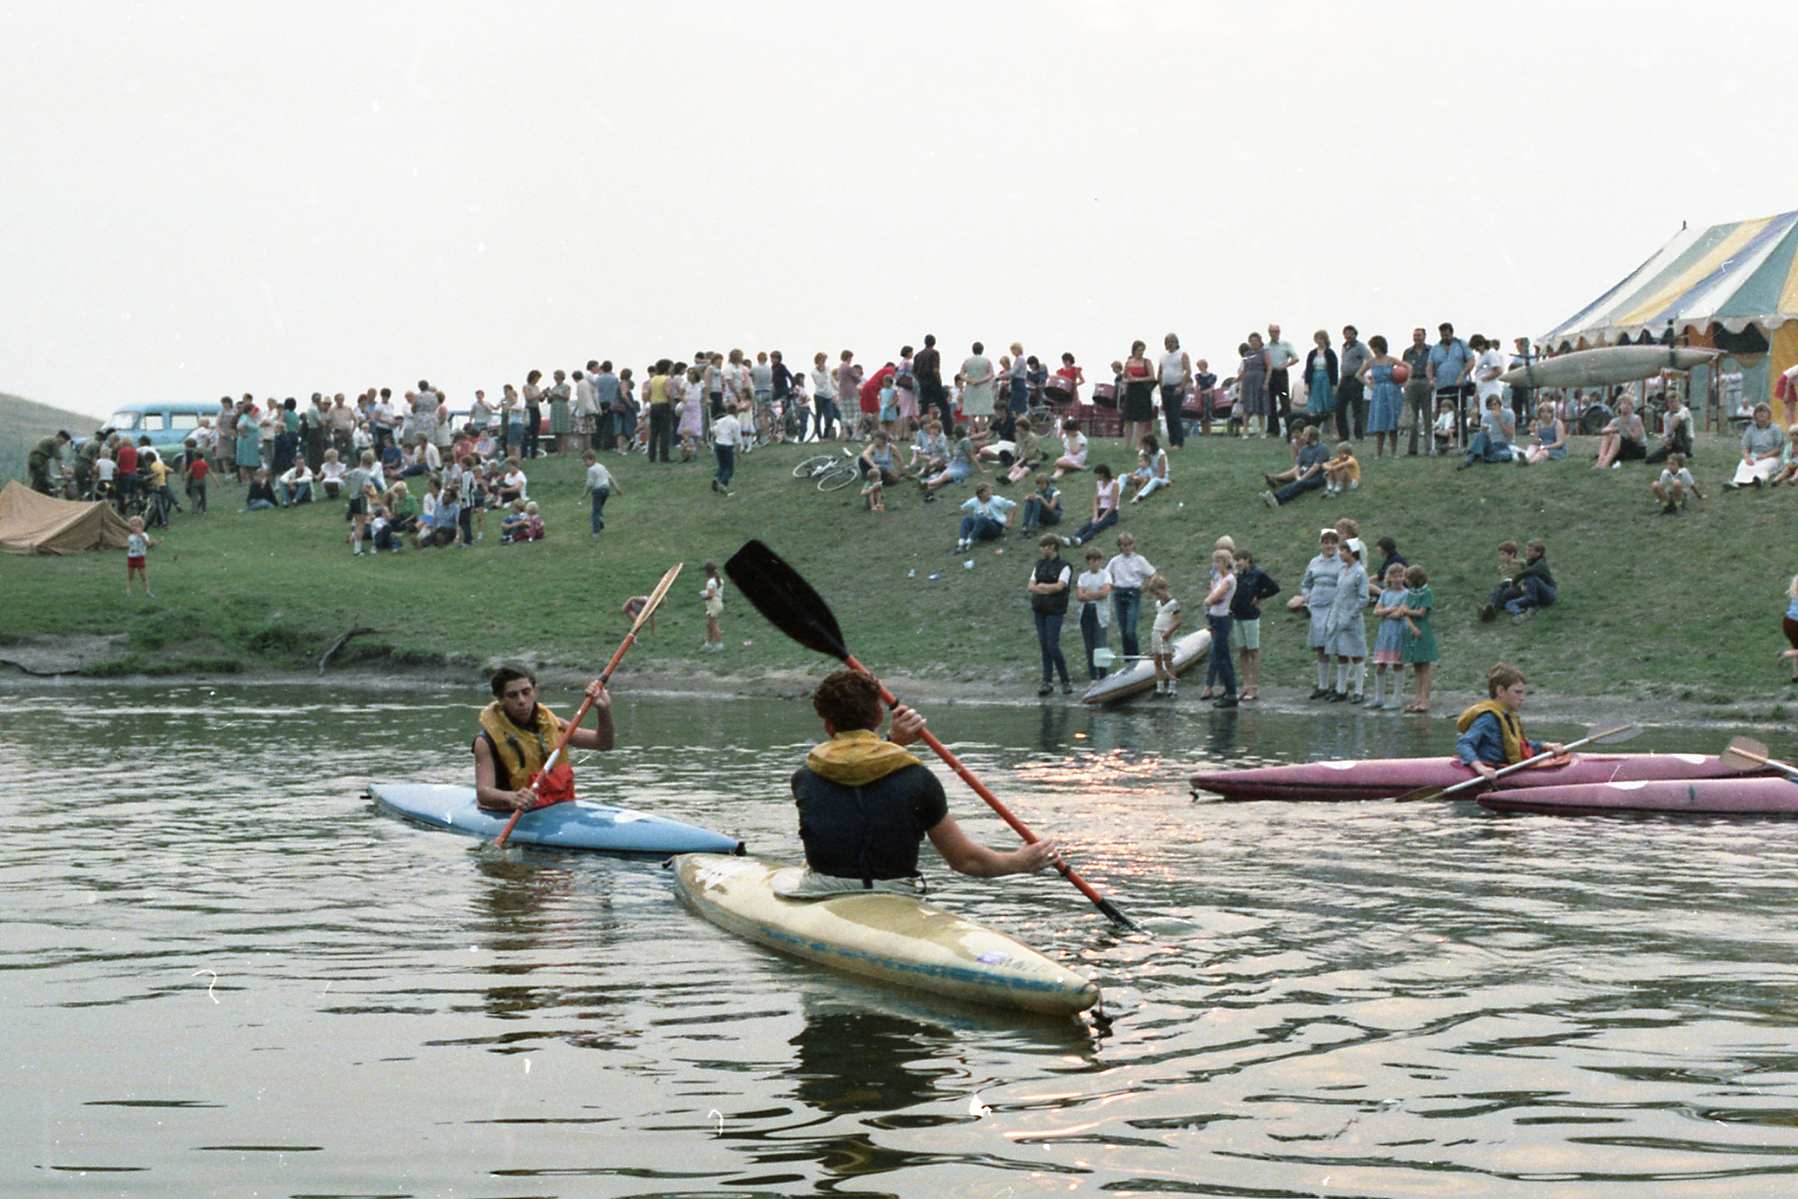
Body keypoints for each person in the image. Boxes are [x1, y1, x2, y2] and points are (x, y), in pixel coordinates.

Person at [786, 671, 1058, 894]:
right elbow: (965, 860)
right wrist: (1021, 862)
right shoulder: (917, 779)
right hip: (896, 894)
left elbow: (855, 770)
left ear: (828, 726)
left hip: (821, 891)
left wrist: (891, 743)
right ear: (879, 716)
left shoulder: (805, 778)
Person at [472, 666, 613, 813]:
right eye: (512, 695)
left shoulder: (554, 725)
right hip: (513, 812)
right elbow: (483, 793)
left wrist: (604, 710)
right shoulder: (485, 742)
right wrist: (510, 797)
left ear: (535, 691)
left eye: (526, 692)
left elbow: (603, 743)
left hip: (557, 806)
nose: (521, 700)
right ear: (500, 699)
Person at [1455, 662, 1564, 781]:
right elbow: (1464, 743)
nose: (1522, 697)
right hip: (1491, 768)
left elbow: (1519, 745)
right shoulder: (1488, 717)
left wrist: (1546, 745)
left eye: (1523, 692)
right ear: (1501, 691)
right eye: (1517, 692)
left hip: (1505, 766)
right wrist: (1480, 768)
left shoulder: (1509, 716)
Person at [1295, 529, 1343, 698]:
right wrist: (1307, 597)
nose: (1329, 545)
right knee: (1320, 646)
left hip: (1334, 607)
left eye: (1332, 542)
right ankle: (1322, 685)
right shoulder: (1314, 562)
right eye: (1326, 542)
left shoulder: (1342, 562)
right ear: (1321, 544)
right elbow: (1306, 583)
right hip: (1317, 607)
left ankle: (1340, 686)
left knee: (1337, 645)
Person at [1026, 534, 1074, 696]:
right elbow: (1031, 586)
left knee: (1052, 645)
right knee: (1044, 646)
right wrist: (1045, 588)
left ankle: (1065, 680)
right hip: (1040, 609)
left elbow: (1060, 587)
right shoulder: (1039, 565)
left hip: (1055, 610)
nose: (1042, 549)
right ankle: (1047, 681)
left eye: (1044, 546)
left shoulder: (1065, 566)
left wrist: (1043, 586)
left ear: (1052, 546)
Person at [1229, 548, 1278, 702]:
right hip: (1237, 616)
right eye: (1236, 560)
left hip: (1251, 616)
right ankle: (1245, 684)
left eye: (1240, 560)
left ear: (1248, 559)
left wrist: (1259, 597)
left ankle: (1254, 687)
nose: (1238, 563)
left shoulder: (1258, 574)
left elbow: (1274, 588)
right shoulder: (1237, 576)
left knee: (1253, 651)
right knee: (1242, 651)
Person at [1325, 537, 1369, 703]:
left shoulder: (1360, 572)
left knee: (1357, 653)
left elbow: (1363, 597)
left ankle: (1359, 690)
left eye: (1343, 550)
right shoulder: (1343, 570)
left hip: (1352, 618)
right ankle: (1341, 689)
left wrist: (1351, 614)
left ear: (1352, 553)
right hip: (1338, 615)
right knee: (1341, 653)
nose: (1339, 553)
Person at [1105, 533, 1155, 661]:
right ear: (1120, 547)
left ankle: (1136, 658)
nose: (1127, 548)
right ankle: (1128, 659)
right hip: (1119, 594)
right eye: (1124, 546)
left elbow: (1152, 574)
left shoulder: (1139, 560)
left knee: (1130, 630)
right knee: (1123, 630)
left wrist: (1146, 587)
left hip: (1133, 594)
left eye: (1129, 545)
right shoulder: (1115, 561)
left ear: (1133, 545)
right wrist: (1110, 585)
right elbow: (1106, 575)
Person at [1481, 539, 1556, 622]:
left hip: (1549, 594)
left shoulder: (1541, 563)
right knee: (1508, 602)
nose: (1527, 552)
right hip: (1536, 595)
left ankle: (1531, 602)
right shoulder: (1530, 562)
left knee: (1530, 576)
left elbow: (1527, 572)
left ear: (1538, 553)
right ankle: (1492, 612)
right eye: (1527, 550)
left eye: (1530, 550)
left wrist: (1516, 580)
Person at [1200, 550, 1239, 707]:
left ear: (1224, 562)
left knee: (1222, 657)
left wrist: (1209, 600)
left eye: (1217, 562)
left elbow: (1212, 598)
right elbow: (1212, 595)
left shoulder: (1228, 579)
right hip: (1215, 617)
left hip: (1221, 619)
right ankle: (1229, 691)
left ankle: (1231, 694)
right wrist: (1210, 599)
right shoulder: (1220, 579)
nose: (1214, 565)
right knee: (1221, 655)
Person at [1370, 563, 1411, 710]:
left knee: (1397, 664)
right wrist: (1391, 609)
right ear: (1390, 578)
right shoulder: (1385, 593)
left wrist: (1387, 612)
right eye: (1395, 576)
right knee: (1381, 664)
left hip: (1399, 632)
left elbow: (1399, 614)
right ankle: (1378, 698)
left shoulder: (1407, 594)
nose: (1398, 579)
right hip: (1385, 633)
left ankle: (1397, 698)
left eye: (1401, 575)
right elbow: (1376, 611)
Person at [1426, 323, 1474, 447]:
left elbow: (1471, 360)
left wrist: (1463, 374)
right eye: (1442, 334)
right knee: (1442, 414)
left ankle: (1461, 443)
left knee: (1459, 414)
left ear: (1451, 332)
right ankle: (1441, 443)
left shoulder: (1461, 344)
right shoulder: (1435, 348)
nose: (1445, 337)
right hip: (1441, 386)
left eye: (1447, 334)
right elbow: (1430, 366)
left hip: (1458, 385)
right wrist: (1431, 379)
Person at [1400, 564, 1438, 713]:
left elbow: (1421, 613)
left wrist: (1407, 611)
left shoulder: (1426, 593)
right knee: (1416, 667)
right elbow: (1406, 613)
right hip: (1412, 631)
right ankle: (1417, 698)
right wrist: (1411, 625)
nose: (1405, 580)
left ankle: (1426, 699)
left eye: (1407, 578)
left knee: (1425, 667)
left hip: (1423, 631)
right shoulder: (1410, 593)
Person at [1261, 426, 1329, 508]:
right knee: (1296, 482)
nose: (1302, 437)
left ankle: (1277, 500)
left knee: (1300, 484)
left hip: (1317, 477)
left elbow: (1315, 468)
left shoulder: (1322, 448)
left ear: (1311, 437)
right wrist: (1297, 477)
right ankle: (1274, 494)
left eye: (1305, 435)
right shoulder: (1304, 449)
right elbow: (1297, 465)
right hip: (1304, 473)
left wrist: (1301, 479)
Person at [1359, 335, 1402, 457]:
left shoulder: (1390, 360)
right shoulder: (1371, 362)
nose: (1374, 350)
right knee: (1379, 422)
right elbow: (1359, 374)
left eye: (1375, 348)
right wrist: (1369, 385)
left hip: (1392, 392)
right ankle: (1379, 453)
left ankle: (1394, 452)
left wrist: (1404, 381)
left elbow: (1407, 367)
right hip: (1378, 394)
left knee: (1392, 423)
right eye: (1372, 348)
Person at [1725, 403, 1784, 489]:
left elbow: (1778, 449)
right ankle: (1736, 482)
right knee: (1743, 464)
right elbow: (1745, 446)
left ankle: (1760, 480)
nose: (1761, 413)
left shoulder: (1775, 429)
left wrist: (1764, 456)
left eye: (1764, 411)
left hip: (1770, 456)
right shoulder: (1751, 429)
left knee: (1764, 466)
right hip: (1754, 455)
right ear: (1755, 415)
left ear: (1769, 414)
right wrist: (1747, 457)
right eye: (1758, 411)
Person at [1062, 464, 1120, 547]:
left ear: (1102, 474)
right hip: (1101, 509)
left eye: (1097, 474)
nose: (1096, 476)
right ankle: (1071, 539)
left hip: (1111, 512)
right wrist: (1095, 516)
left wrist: (1102, 517)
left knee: (1096, 527)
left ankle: (1081, 540)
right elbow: (1096, 500)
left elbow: (1113, 504)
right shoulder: (1099, 483)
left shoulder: (1114, 484)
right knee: (1087, 525)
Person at [1075, 548, 1111, 681]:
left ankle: (1103, 677)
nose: (1094, 563)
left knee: (1100, 645)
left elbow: (1104, 593)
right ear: (1088, 562)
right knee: (1089, 646)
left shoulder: (1105, 575)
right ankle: (1093, 678)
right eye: (1092, 560)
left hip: (1100, 613)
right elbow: (1079, 596)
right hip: (1086, 612)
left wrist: (1089, 594)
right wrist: (1091, 594)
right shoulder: (1083, 577)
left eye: (1097, 560)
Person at [1145, 573, 1182, 698]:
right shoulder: (1158, 603)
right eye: (1155, 594)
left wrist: (1168, 633)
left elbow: (1178, 622)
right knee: (1157, 660)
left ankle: (1172, 688)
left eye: (1158, 593)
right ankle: (1160, 687)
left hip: (1165, 634)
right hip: (1156, 633)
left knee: (1168, 661)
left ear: (1164, 589)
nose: (1157, 596)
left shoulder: (1173, 604)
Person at [954, 483, 1016, 552]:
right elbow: (962, 508)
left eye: (990, 490)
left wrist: (1009, 522)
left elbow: (1013, 506)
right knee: (966, 519)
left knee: (981, 518)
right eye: (987, 491)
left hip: (995, 528)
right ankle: (961, 542)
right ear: (980, 494)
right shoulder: (974, 501)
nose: (990, 492)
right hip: (980, 528)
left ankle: (968, 543)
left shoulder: (996, 500)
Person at [1459, 394, 1517, 467]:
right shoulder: (1486, 417)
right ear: (1488, 407)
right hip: (1492, 445)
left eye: (1495, 404)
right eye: (1490, 406)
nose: (1493, 407)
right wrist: (1484, 431)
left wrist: (1499, 420)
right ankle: (1470, 459)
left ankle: (1480, 456)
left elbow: (1511, 435)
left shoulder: (1509, 413)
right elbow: (1485, 436)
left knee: (1507, 455)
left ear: (1500, 404)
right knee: (1481, 434)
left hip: (1505, 445)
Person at [1401, 328, 1434, 455]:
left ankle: (1429, 448)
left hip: (1426, 382)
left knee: (1427, 417)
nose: (1417, 338)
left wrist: (1433, 380)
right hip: (1412, 383)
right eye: (1415, 335)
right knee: (1412, 418)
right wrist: (1404, 383)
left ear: (1424, 336)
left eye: (1419, 335)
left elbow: (1434, 365)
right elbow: (1403, 368)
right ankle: (1412, 449)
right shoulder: (1407, 352)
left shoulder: (1431, 350)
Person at [1263, 324, 1299, 439]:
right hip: (1270, 374)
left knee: (1284, 401)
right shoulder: (1266, 347)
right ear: (1269, 333)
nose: (1274, 333)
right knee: (1271, 403)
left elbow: (1296, 358)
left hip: (1281, 375)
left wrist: (1285, 365)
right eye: (1272, 331)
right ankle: (1273, 430)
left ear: (1279, 332)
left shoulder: (1285, 345)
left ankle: (1290, 429)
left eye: (1276, 331)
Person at [1335, 326, 1370, 441]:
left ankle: (1359, 435)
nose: (1348, 336)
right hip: (1345, 379)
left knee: (1357, 409)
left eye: (1350, 333)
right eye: (1346, 333)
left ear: (1355, 334)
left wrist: (1362, 372)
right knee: (1339, 407)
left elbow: (1370, 359)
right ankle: (1343, 435)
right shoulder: (1344, 347)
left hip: (1355, 379)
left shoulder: (1360, 347)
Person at [1593, 395, 1645, 470]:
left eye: (1629, 404)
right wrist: (1613, 429)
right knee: (1609, 434)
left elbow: (1636, 438)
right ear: (1619, 406)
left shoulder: (1636, 419)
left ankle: (1605, 463)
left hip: (1637, 448)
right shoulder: (1616, 420)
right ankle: (1600, 461)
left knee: (1616, 436)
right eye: (1623, 403)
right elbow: (1603, 431)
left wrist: (1627, 428)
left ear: (1632, 407)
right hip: (1621, 445)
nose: (1626, 406)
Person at [1300, 331, 1337, 438]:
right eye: (1317, 338)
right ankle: (1313, 433)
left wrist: (1334, 385)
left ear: (1325, 339)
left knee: (1329, 408)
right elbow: (1308, 370)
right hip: (1314, 381)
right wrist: (1307, 385)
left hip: (1326, 380)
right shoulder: (1312, 353)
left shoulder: (1330, 353)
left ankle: (1333, 432)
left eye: (1321, 338)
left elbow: (1334, 370)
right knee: (1313, 408)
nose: (1319, 341)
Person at [1158, 334, 1191, 449]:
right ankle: (1172, 442)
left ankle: (1178, 442)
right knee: (1168, 416)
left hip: (1177, 387)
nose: (1170, 344)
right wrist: (1160, 386)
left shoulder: (1182, 354)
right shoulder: (1163, 356)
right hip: (1165, 388)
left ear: (1177, 342)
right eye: (1167, 342)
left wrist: (1181, 387)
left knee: (1175, 415)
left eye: (1172, 341)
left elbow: (1188, 371)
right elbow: (1160, 372)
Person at [1645, 392, 1694, 466]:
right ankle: (1675, 456)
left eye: (1675, 401)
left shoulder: (1685, 410)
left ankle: (1682, 453)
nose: (1673, 404)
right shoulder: (1666, 415)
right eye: (1670, 402)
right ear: (1667, 404)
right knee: (1649, 459)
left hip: (1685, 441)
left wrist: (1669, 436)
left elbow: (1676, 419)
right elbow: (1665, 433)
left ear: (1679, 402)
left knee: (1680, 424)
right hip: (1672, 442)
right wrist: (1666, 441)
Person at [1521, 401, 1569, 465]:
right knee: (1532, 447)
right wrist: (1535, 434)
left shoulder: (1557, 423)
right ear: (1539, 413)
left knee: (1542, 453)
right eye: (1543, 412)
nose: (1545, 414)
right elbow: (1538, 440)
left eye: (1548, 412)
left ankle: (1529, 462)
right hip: (1543, 445)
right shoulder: (1538, 423)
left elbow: (1560, 442)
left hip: (1556, 448)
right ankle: (1525, 458)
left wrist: (1547, 447)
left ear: (1552, 413)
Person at [584, 450, 619, 535]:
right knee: (599, 507)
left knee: (595, 512)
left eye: (586, 461)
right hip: (606, 490)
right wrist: (617, 488)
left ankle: (596, 532)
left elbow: (590, 483)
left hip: (597, 491)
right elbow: (610, 477)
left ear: (592, 459)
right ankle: (601, 521)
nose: (585, 463)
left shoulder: (591, 469)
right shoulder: (601, 466)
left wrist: (585, 493)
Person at [27, 430, 70, 495]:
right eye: (64, 440)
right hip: (38, 460)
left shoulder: (50, 439)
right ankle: (32, 496)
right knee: (40, 481)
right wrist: (63, 471)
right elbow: (58, 458)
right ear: (60, 436)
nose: (63, 444)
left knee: (40, 480)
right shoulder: (55, 441)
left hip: (36, 459)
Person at [124, 515, 154, 598]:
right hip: (131, 558)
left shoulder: (144, 534)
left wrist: (141, 536)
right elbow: (130, 546)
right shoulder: (130, 536)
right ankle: (128, 591)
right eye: (132, 525)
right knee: (130, 576)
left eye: (137, 526)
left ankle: (147, 591)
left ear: (141, 526)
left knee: (143, 576)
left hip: (140, 558)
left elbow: (148, 544)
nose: (134, 528)